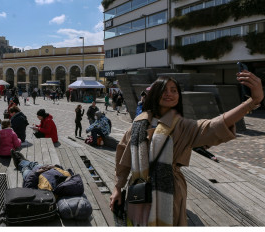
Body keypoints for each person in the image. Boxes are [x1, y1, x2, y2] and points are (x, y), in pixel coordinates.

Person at [110, 72, 264, 226]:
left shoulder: (184, 126)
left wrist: (252, 102)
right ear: (155, 93)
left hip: (169, 191)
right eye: (164, 90)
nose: (169, 93)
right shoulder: (139, 123)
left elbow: (214, 125)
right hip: (138, 190)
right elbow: (123, 155)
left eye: (174, 90)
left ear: (179, 96)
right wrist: (118, 187)